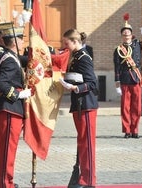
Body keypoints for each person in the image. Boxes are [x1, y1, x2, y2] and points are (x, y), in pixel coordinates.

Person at [0, 26, 31, 188]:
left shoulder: (10, 56)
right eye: (21, 39)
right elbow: (1, 84)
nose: (23, 42)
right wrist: (19, 95)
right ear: (14, 41)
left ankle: (0, 182)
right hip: (9, 109)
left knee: (3, 148)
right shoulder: (9, 60)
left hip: (8, 109)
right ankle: (5, 183)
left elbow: (26, 60)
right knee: (7, 149)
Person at [60, 29, 98, 188]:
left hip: (86, 105)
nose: (64, 45)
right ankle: (83, 177)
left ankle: (89, 181)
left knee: (87, 144)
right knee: (82, 142)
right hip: (79, 105)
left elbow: (92, 84)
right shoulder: (75, 56)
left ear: (75, 41)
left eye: (66, 43)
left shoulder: (84, 58)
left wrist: (75, 88)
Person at [113, 13, 142, 139]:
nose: (126, 34)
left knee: (137, 106)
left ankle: (135, 129)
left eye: (128, 32)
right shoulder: (118, 49)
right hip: (124, 79)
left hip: (137, 78)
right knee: (125, 107)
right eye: (124, 33)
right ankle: (127, 130)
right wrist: (117, 82)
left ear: (131, 34)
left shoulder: (138, 43)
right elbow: (117, 66)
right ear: (122, 35)